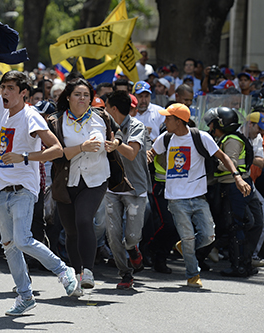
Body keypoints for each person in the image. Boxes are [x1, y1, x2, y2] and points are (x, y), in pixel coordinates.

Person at [0, 36, 78, 316]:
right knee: (9, 246)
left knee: (22, 240)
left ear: (24, 94)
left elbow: (56, 150)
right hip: (1, 190)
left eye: (10, 88)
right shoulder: (3, 109)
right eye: (3, 87)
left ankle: (63, 270)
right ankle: (25, 296)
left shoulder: (31, 117)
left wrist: (26, 157)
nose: (4, 92)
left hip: (23, 189)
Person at [149, 103, 251, 288]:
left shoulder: (200, 137)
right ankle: (192, 275)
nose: (165, 121)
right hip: (176, 198)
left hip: (198, 197)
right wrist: (147, 156)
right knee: (188, 237)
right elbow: (152, 152)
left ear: (179, 121)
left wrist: (237, 177)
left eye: (168, 118)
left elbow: (223, 157)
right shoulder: (165, 138)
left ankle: (184, 248)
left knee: (208, 236)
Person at [47, 78, 122, 294]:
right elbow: (57, 154)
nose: (82, 98)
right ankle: (77, 275)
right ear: (68, 97)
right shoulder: (56, 121)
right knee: (71, 232)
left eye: (86, 95)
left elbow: (117, 133)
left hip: (96, 179)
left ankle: (88, 271)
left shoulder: (101, 116)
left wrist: (114, 143)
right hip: (66, 181)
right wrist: (82, 147)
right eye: (78, 94)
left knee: (83, 219)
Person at [203, 107, 263, 277]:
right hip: (243, 183)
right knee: (249, 222)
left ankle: (239, 266)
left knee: (237, 225)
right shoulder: (232, 137)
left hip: (233, 186)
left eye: (212, 123)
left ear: (221, 123)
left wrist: (212, 162)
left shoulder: (230, 140)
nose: (210, 127)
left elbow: (230, 164)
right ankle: (244, 262)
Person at [100, 90, 150, 289]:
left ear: (113, 108)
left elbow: (131, 154)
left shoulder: (136, 126)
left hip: (135, 188)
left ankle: (133, 250)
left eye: (106, 108)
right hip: (111, 188)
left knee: (131, 237)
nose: (103, 111)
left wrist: (115, 144)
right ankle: (125, 274)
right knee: (112, 235)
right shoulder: (103, 126)